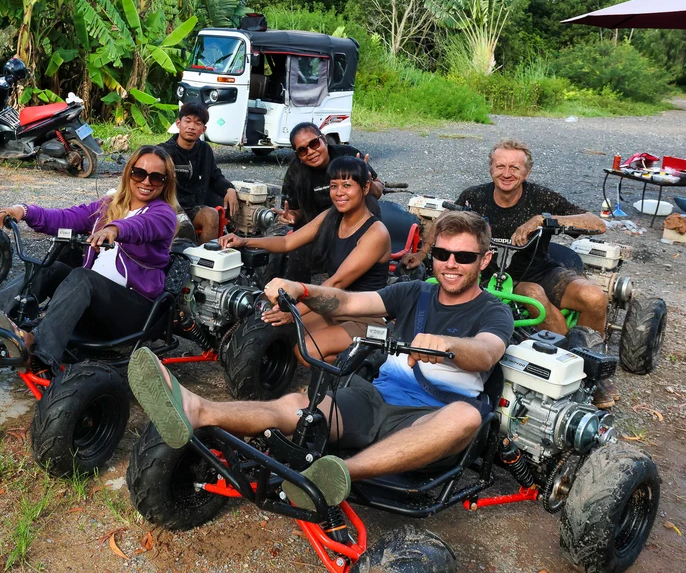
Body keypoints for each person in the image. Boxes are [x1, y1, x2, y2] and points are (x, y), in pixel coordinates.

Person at [127, 211, 513, 510]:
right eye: (443, 254)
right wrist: (301, 290)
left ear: (485, 259)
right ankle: (198, 410)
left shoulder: (493, 312)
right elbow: (347, 303)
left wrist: (444, 345)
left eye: (463, 256)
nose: (450, 264)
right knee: (299, 405)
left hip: (432, 416)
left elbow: (487, 351)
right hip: (374, 400)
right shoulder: (415, 292)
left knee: (467, 416)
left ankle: (337, 475)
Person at [400, 139, 616, 407]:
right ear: (491, 168)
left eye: (515, 167)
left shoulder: (541, 198)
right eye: (500, 166)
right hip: (493, 276)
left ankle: (594, 370)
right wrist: (422, 254)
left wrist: (543, 220)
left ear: (526, 173)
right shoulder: (474, 197)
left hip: (540, 270)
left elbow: (596, 223)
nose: (507, 173)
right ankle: (565, 364)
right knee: (532, 294)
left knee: (594, 297)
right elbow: (445, 221)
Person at [0, 145, 178, 373]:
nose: (147, 182)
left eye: (156, 177)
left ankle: (39, 349)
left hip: (133, 312)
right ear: (129, 173)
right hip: (94, 305)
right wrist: (24, 211)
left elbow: (141, 226)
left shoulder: (164, 214)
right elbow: (66, 217)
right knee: (50, 269)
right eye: (140, 173)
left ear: (165, 182)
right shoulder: (108, 205)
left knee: (82, 276)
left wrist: (113, 229)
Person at [219, 156, 390, 365]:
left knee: (305, 351)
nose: (339, 193)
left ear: (365, 188)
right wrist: (244, 241)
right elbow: (286, 243)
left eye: (347, 185)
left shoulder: (376, 233)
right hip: (335, 308)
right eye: (334, 186)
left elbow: (336, 283)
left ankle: (372, 361)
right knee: (284, 331)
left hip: (365, 317)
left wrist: (293, 313)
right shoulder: (333, 215)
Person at [278, 123, 384, 281]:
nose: (311, 152)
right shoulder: (296, 171)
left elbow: (377, 191)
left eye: (314, 144)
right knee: (294, 256)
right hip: (317, 229)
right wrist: (291, 216)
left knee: (367, 199)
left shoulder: (348, 155)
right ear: (298, 155)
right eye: (302, 150)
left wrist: (367, 180)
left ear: (324, 140)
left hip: (353, 225)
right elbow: (294, 211)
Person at [163, 103, 238, 242]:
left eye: (197, 123)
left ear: (203, 129)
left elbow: (215, 177)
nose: (192, 126)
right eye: (188, 121)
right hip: (168, 209)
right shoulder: (163, 152)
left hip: (193, 209)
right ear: (178, 123)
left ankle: (204, 259)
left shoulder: (205, 150)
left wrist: (229, 189)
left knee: (211, 215)